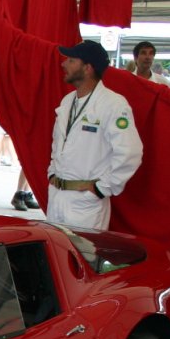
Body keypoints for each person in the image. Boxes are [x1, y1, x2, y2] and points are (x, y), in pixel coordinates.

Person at [46, 40, 142, 230]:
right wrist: (52, 172)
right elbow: (58, 145)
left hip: (86, 204)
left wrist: (102, 188)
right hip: (57, 197)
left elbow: (131, 153)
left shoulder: (113, 104)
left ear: (87, 68)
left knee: (83, 249)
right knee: (57, 248)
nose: (63, 64)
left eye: (71, 60)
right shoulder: (68, 101)